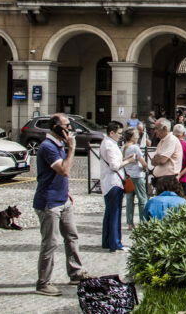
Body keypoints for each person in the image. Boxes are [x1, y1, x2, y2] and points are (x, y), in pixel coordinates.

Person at [33, 113, 90, 296]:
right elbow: (64, 170)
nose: (70, 129)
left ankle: (75, 272)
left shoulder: (58, 145)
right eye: (67, 125)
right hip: (49, 203)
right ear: (56, 127)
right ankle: (43, 283)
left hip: (63, 199)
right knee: (50, 243)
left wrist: (66, 193)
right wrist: (72, 148)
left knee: (72, 236)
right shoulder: (48, 147)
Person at [99, 121, 133, 253]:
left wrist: (125, 158)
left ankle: (107, 241)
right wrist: (129, 161)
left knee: (110, 212)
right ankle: (115, 243)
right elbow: (114, 166)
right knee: (115, 213)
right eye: (119, 133)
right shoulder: (109, 145)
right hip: (114, 183)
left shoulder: (108, 143)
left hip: (110, 182)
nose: (121, 136)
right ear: (111, 132)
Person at [123, 127, 149, 230]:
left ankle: (130, 223)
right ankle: (143, 222)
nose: (138, 136)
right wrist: (145, 167)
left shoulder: (123, 147)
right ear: (132, 137)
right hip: (137, 176)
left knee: (129, 200)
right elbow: (143, 163)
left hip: (128, 176)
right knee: (142, 199)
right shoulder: (135, 148)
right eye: (137, 135)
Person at [151, 118, 183, 182]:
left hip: (169, 180)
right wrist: (157, 158)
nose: (155, 131)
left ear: (165, 128)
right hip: (162, 180)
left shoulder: (171, 139)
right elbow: (153, 162)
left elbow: (162, 160)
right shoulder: (162, 141)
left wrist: (157, 158)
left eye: (157, 128)